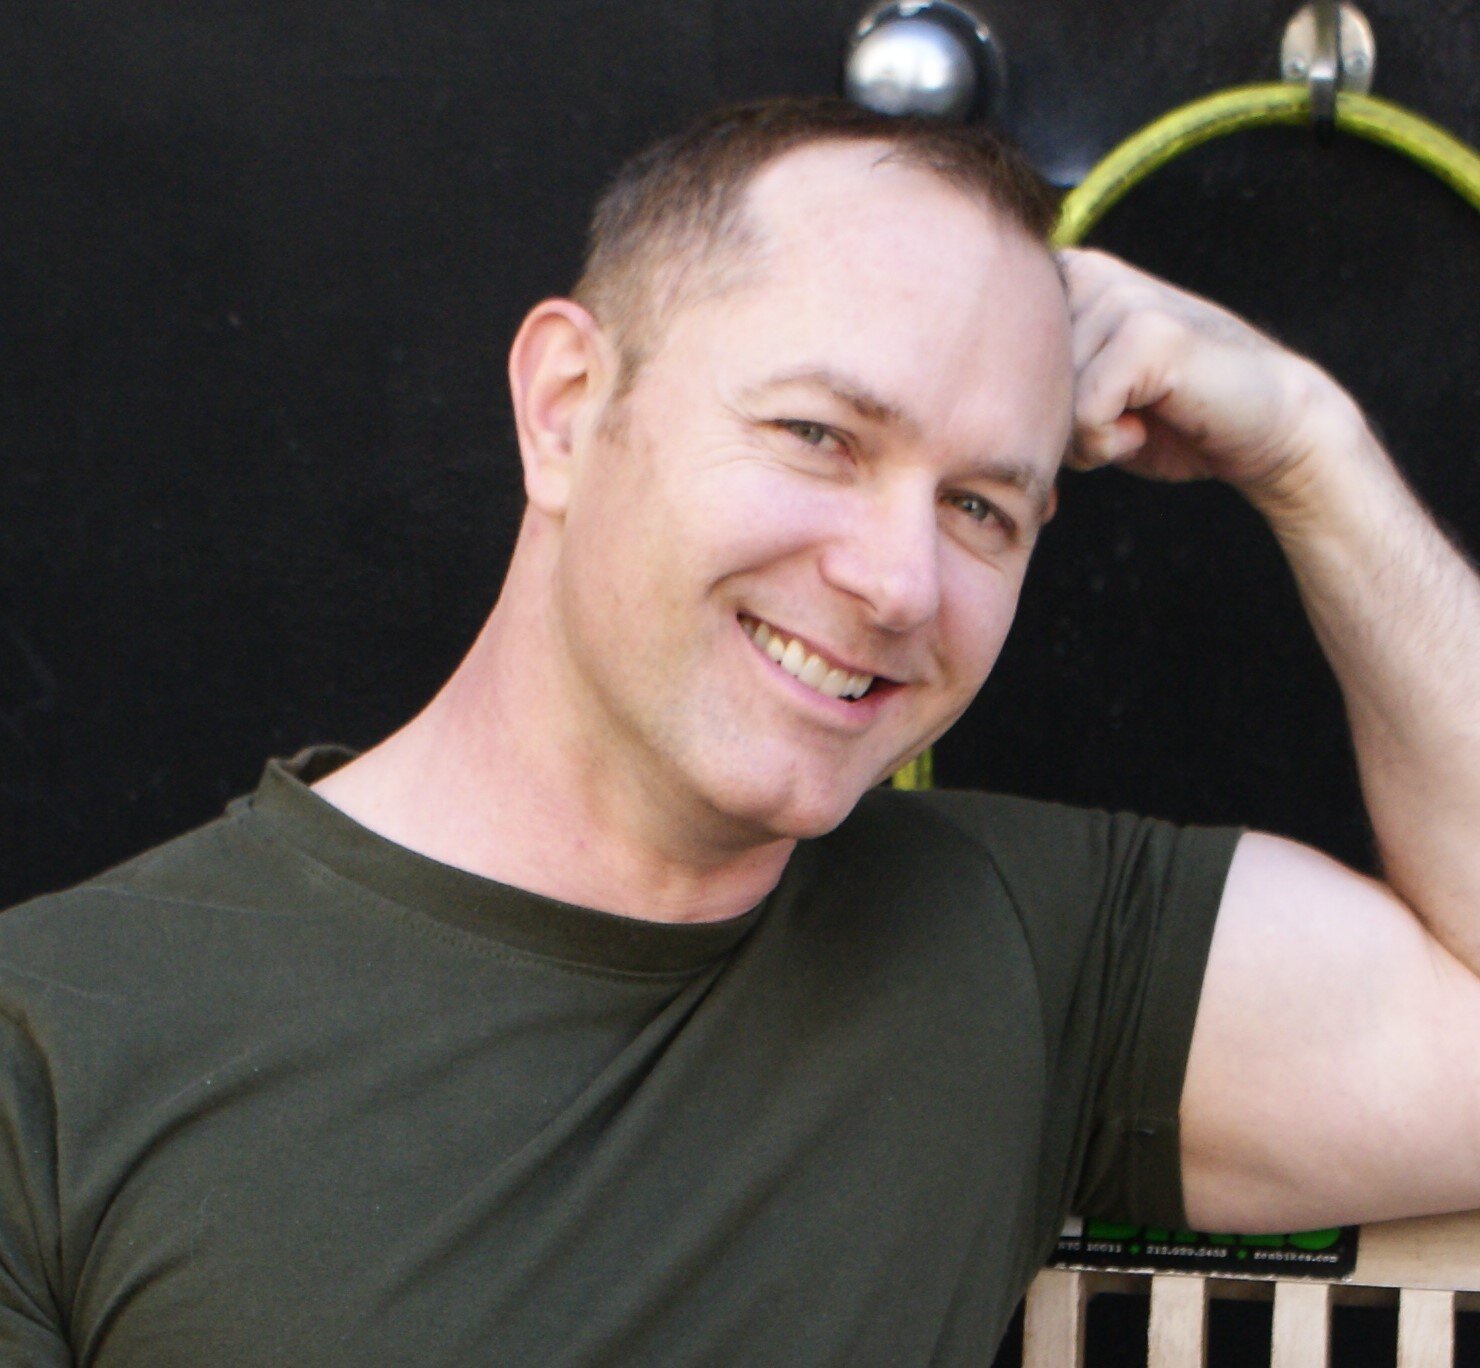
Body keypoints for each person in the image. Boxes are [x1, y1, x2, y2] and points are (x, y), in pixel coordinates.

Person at [1, 97, 1475, 1366]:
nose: (898, 583)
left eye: (981, 507)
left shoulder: (1020, 949)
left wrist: (1311, 449)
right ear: (567, 408)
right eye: (820, 436)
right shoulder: (53, 1044)